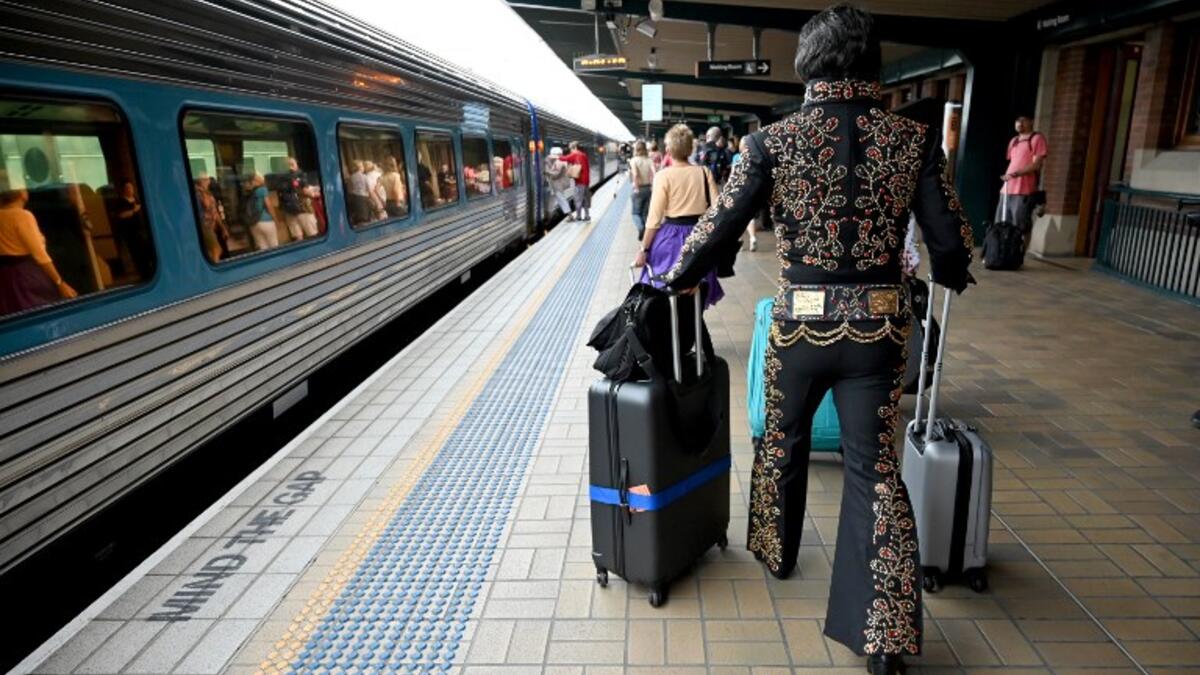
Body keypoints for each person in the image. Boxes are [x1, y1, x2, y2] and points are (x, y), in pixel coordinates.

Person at [662, 7, 974, 674]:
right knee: (874, 469)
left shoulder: (771, 142)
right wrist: (949, 272)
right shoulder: (914, 140)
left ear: (808, 65)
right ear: (873, 63)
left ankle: (776, 550)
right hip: (879, 332)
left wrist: (677, 276)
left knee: (781, 439)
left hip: (798, 327)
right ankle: (883, 637)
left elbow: (717, 227)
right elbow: (952, 244)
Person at [634, 123, 723, 308]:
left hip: (669, 240)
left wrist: (643, 250)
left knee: (664, 293)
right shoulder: (704, 172)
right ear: (690, 149)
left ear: (668, 150)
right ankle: (693, 323)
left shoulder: (663, 176)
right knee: (696, 296)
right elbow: (718, 209)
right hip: (700, 239)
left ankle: (672, 322)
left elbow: (654, 220)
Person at [0, 184, 76, 315]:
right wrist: (60, 282)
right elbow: (39, 254)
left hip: (4, 276)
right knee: (40, 311)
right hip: (26, 274)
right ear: (21, 194)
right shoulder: (22, 216)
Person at [998, 114, 1048, 255]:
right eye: (1017, 120)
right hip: (1006, 190)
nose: (1019, 123)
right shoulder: (1013, 141)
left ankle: (1019, 255)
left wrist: (1015, 174)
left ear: (1031, 121)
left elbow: (1036, 165)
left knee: (1022, 226)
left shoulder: (1037, 139)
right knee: (1003, 223)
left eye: (1023, 120)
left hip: (1024, 190)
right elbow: (1013, 162)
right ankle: (1004, 254)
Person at [109, 179, 154, 279]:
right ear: (124, 189)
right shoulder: (120, 202)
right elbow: (120, 215)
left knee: (147, 251)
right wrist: (133, 211)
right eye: (127, 188)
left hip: (142, 230)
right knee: (137, 253)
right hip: (131, 233)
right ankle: (144, 273)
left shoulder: (136, 199)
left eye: (131, 187)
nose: (130, 190)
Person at [276, 157, 318, 241]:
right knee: (312, 235)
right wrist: (314, 193)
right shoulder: (300, 175)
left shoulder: (280, 178)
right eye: (290, 164)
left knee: (298, 237)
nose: (291, 167)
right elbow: (305, 191)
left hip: (289, 211)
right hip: (303, 209)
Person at [731, 136, 759, 251]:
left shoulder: (736, 157)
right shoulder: (755, 157)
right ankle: (752, 238)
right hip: (752, 188)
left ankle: (740, 241)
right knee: (750, 215)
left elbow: (733, 173)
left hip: (739, 189)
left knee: (738, 216)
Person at [194, 172, 227, 261]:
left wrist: (223, 228)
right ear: (200, 181)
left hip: (210, 225)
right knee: (217, 249)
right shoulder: (198, 193)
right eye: (205, 180)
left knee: (210, 251)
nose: (208, 181)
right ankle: (215, 266)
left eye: (207, 179)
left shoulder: (207, 192)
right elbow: (205, 207)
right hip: (204, 226)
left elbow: (215, 212)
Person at [242, 173, 278, 250]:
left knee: (263, 248)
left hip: (253, 224)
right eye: (260, 178)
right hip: (266, 221)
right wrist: (275, 219)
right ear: (256, 181)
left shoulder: (248, 193)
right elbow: (269, 205)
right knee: (274, 246)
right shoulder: (262, 189)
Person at [628, 140, 655, 240]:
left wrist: (636, 187)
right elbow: (654, 172)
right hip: (648, 188)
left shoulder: (634, 160)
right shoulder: (649, 160)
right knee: (645, 213)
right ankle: (646, 234)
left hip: (639, 189)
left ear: (636, 149)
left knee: (635, 213)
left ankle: (641, 229)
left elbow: (635, 174)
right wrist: (653, 186)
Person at [563, 141, 591, 222]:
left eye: (570, 149)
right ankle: (587, 216)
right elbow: (587, 167)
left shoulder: (576, 154)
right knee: (585, 199)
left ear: (574, 147)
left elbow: (564, 158)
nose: (570, 151)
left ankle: (578, 216)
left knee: (578, 199)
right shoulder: (583, 155)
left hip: (580, 181)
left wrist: (555, 157)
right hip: (586, 180)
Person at [543, 147, 574, 217]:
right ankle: (549, 215)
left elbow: (556, 174)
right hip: (557, 184)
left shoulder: (559, 162)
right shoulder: (560, 161)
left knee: (561, 199)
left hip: (558, 185)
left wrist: (547, 172)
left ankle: (570, 215)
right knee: (553, 200)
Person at [345, 160, 373, 225]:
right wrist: (372, 200)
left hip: (355, 200)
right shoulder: (365, 177)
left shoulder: (350, 178)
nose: (363, 168)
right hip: (364, 199)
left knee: (359, 221)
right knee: (366, 221)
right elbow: (369, 190)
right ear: (360, 167)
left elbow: (349, 191)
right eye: (362, 166)